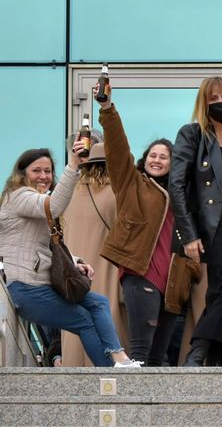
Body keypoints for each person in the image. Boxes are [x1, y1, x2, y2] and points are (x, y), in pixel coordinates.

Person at [0, 146, 141, 367]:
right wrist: (74, 165)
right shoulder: (18, 196)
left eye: (48, 171)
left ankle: (120, 358)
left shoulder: (34, 202)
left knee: (99, 302)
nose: (44, 176)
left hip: (42, 284)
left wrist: (75, 261)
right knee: (83, 319)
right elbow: (53, 206)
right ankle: (107, 372)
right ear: (22, 173)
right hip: (25, 288)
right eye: (37, 170)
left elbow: (46, 248)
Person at [95, 84, 181, 367]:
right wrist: (108, 110)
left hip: (173, 281)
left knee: (160, 356)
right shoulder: (132, 183)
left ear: (173, 163)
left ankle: (157, 412)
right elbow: (118, 150)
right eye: (153, 155)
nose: (157, 159)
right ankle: (132, 409)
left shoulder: (181, 193)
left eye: (164, 156)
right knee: (142, 354)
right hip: (141, 271)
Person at [169, 76, 222, 366]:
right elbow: (176, 186)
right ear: (203, 103)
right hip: (215, 225)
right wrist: (189, 234)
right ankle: (198, 351)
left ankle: (218, 357)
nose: (220, 102)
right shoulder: (192, 134)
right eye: (213, 98)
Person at [60, 139, 127, 367]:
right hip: (107, 268)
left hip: (73, 271)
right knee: (108, 317)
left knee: (74, 326)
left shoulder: (67, 193)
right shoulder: (117, 193)